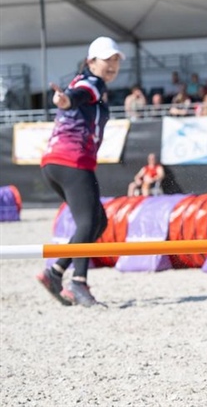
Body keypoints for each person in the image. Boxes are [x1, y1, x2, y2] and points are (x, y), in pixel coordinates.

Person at [36, 36, 126, 307]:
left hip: (55, 164)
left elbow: (77, 97)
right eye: (106, 60)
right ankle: (79, 283)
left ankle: (55, 273)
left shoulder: (87, 84)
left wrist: (67, 99)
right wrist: (66, 101)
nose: (111, 65)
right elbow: (79, 96)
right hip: (70, 161)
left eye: (115, 60)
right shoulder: (91, 83)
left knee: (97, 222)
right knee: (88, 222)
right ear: (90, 62)